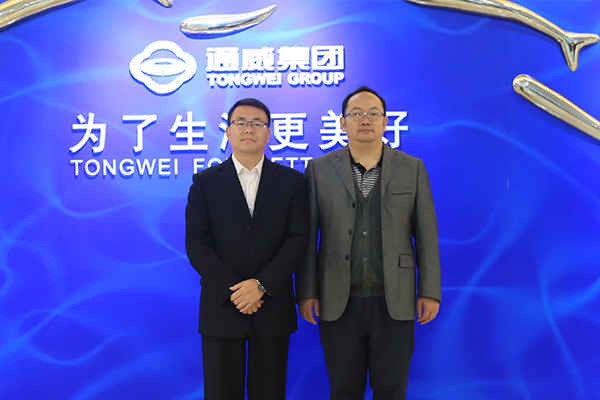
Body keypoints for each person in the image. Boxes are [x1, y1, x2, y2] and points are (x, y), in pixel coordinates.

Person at [296, 86, 441, 400]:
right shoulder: (319, 169)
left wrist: (429, 291)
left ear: (386, 122)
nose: (365, 119)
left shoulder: (412, 168)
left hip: (395, 300)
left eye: (373, 113)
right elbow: (307, 237)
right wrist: (307, 291)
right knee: (343, 389)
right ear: (342, 122)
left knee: (392, 389)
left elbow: (426, 234)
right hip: (338, 300)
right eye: (356, 114)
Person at [185, 98, 309, 400]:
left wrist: (261, 285)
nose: (249, 128)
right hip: (222, 307)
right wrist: (235, 292)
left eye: (257, 123)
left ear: (269, 133)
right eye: (240, 122)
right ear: (228, 131)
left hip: (272, 307)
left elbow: (298, 239)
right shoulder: (205, 182)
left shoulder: (292, 182)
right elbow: (197, 243)